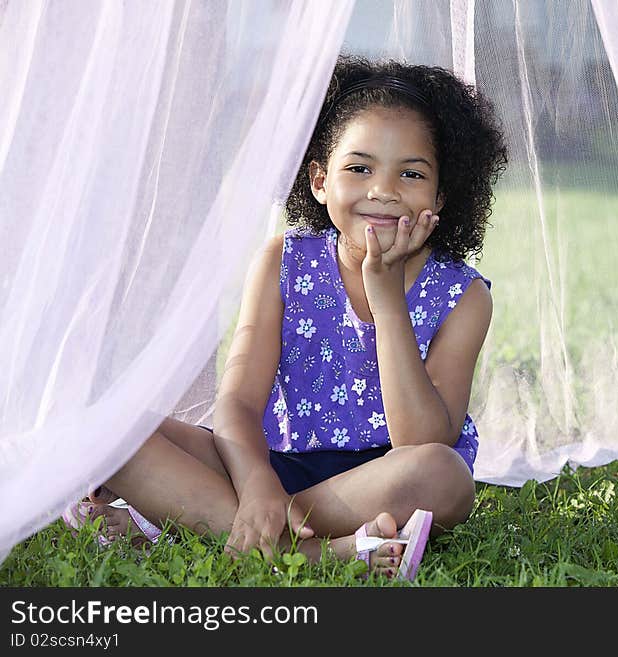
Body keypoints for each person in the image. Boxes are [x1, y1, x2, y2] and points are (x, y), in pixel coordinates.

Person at [65, 54, 508, 579]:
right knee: (108, 434)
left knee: (445, 474)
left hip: (382, 478)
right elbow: (237, 402)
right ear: (320, 181)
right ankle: (322, 550)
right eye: (359, 168)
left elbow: (422, 439)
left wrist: (387, 300)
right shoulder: (285, 261)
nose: (382, 189)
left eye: (410, 174)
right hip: (273, 461)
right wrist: (258, 484)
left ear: (441, 195)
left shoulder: (463, 296)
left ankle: (215, 525)